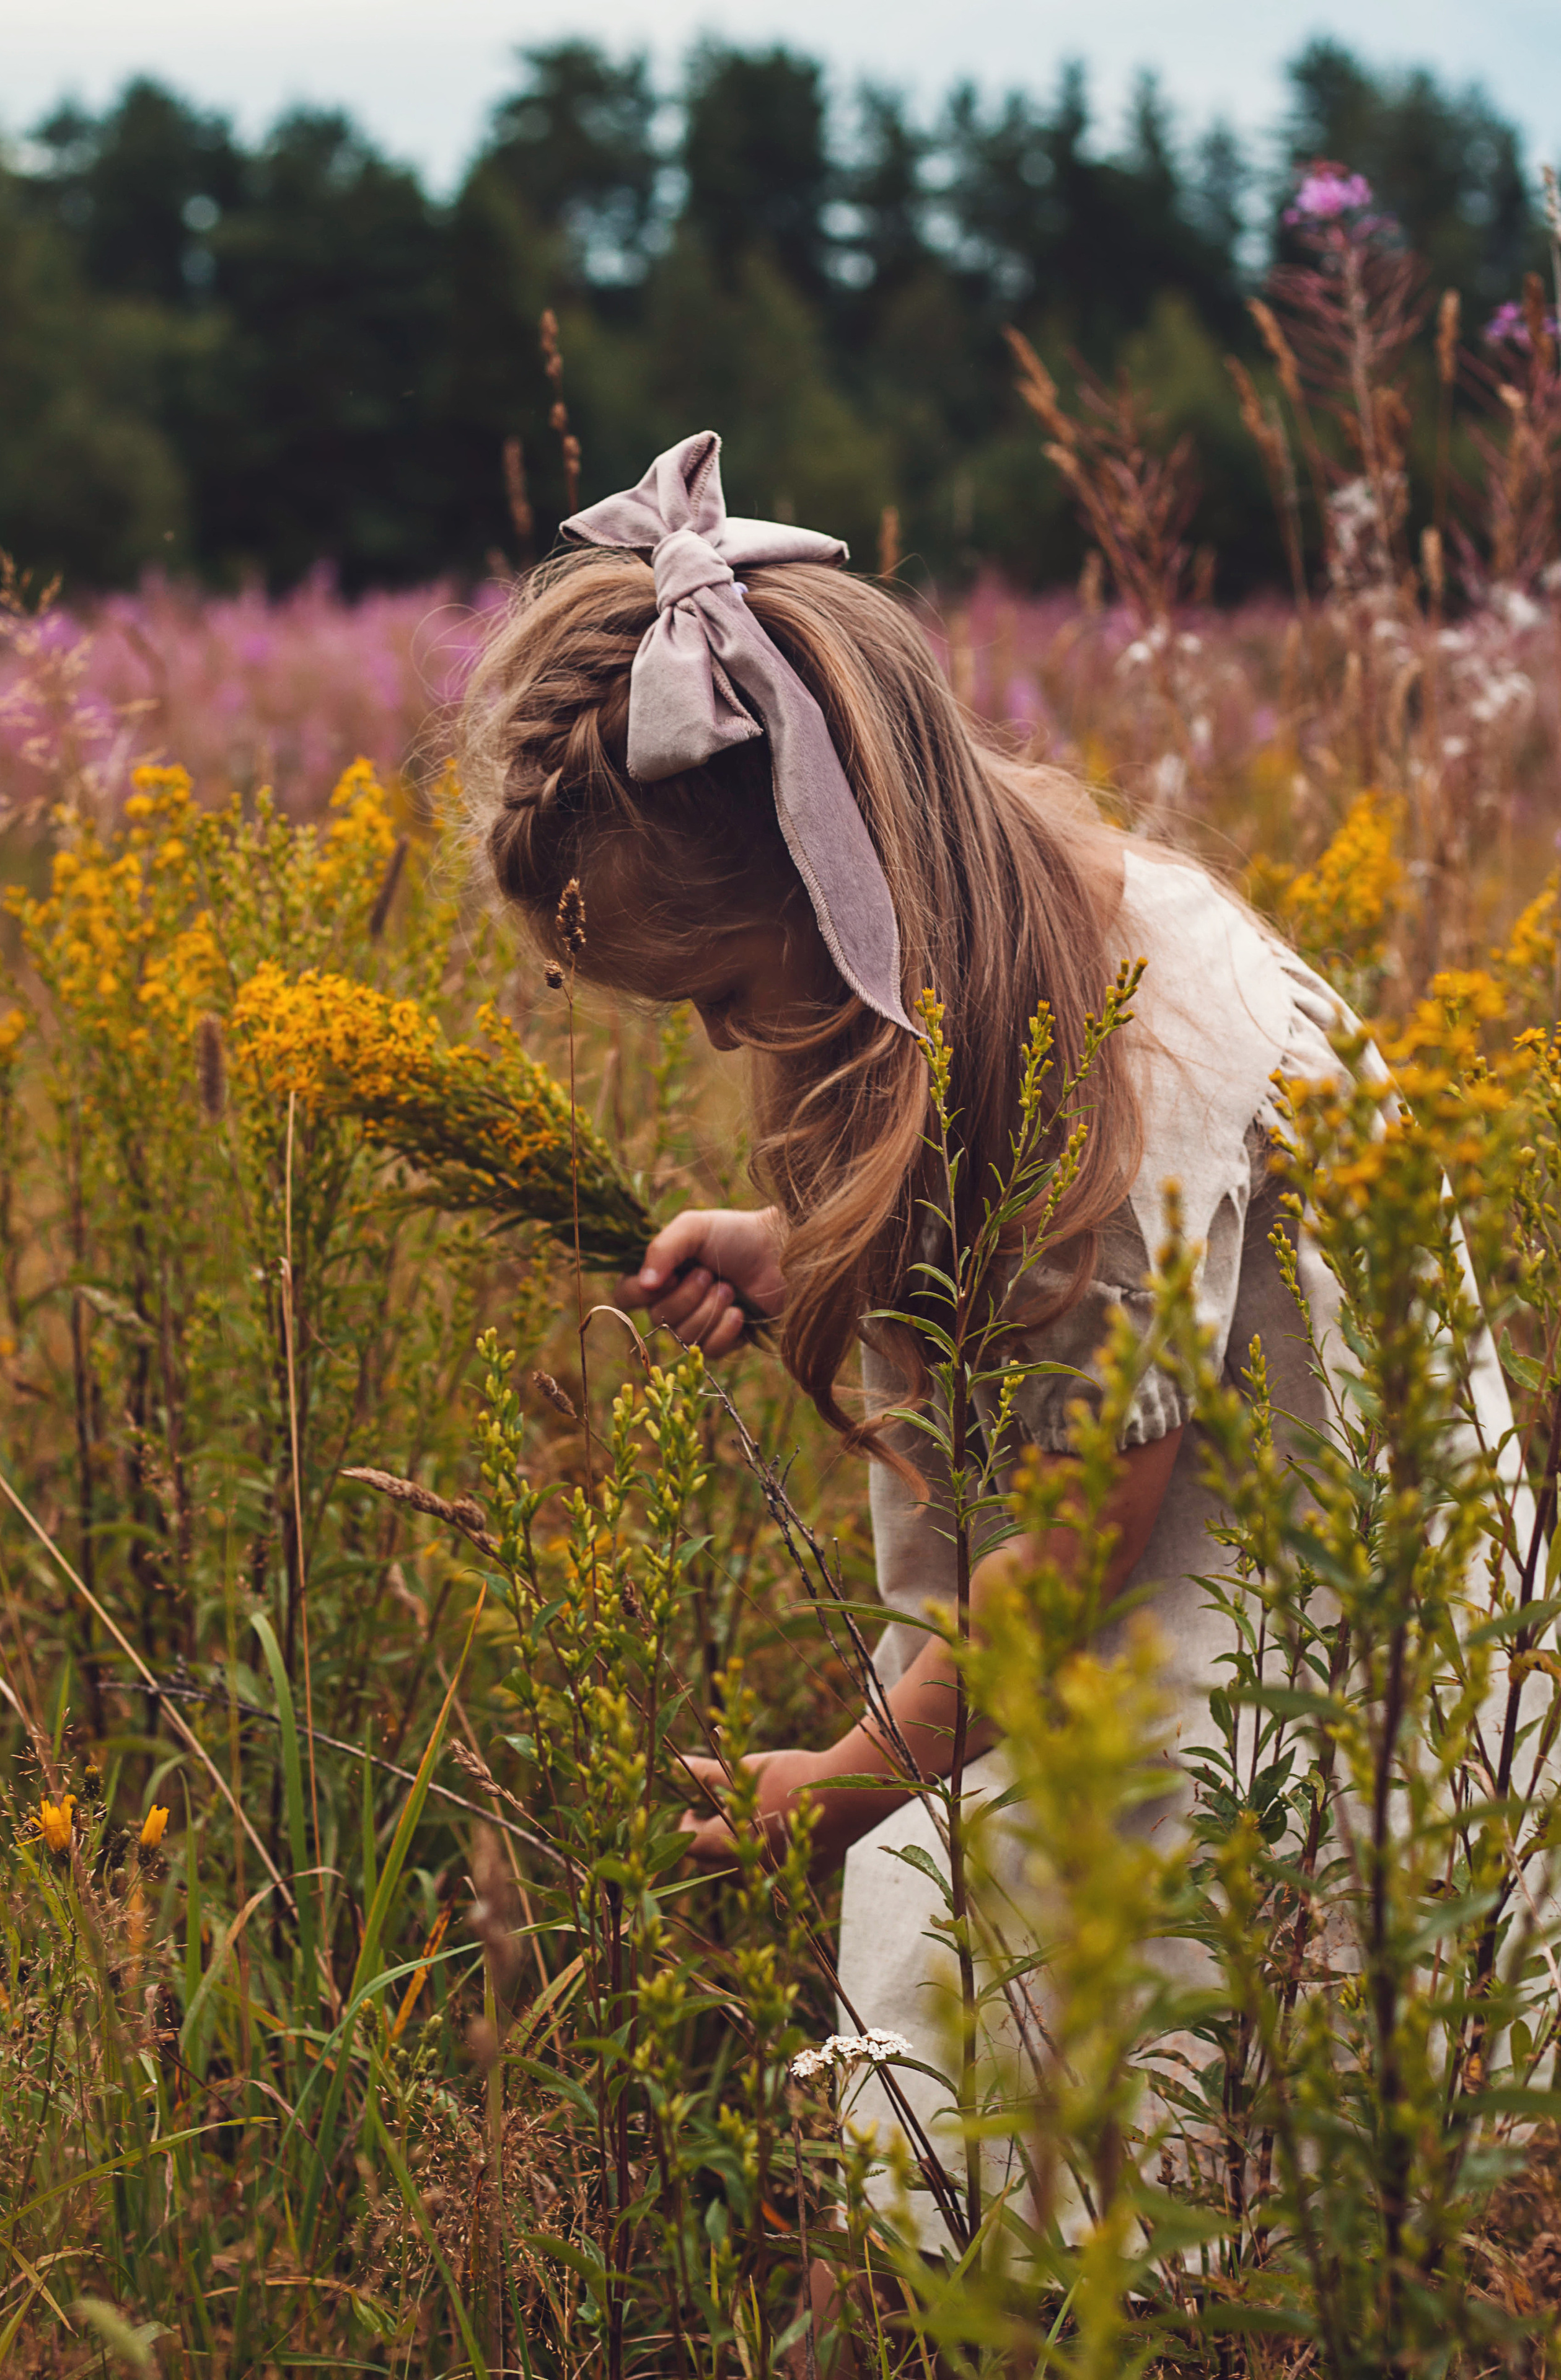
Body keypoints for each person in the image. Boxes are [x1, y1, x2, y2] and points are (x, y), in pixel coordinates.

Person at [458, 433, 1519, 2279]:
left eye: (718, 992)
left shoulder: (1138, 1033)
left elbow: (1097, 1519)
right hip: (1140, 1615)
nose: (720, 1045)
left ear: (832, 885)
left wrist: (851, 1773)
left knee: (1198, 2103)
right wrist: (805, 1252)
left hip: (1273, 1629)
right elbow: (1035, 1271)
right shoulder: (1015, 946)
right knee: (1044, 2039)